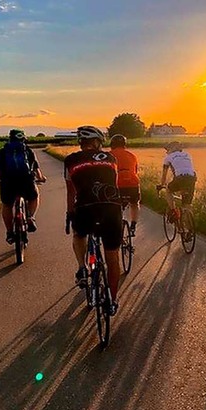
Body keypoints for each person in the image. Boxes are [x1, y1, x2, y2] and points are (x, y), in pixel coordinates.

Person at [64, 125, 121, 315]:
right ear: (98, 142)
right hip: (111, 208)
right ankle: (112, 300)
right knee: (112, 256)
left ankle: (82, 268)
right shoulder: (111, 158)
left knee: (79, 234)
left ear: (81, 143)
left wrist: (69, 213)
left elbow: (71, 191)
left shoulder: (71, 160)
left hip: (85, 208)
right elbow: (115, 183)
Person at [0, 129, 46, 244]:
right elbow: (36, 168)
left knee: (7, 205)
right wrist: (41, 178)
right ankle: (30, 217)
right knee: (34, 197)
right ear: (23, 138)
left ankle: (9, 233)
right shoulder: (28, 151)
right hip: (26, 180)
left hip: (8, 181)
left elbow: (0, 170)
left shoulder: (3, 152)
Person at [110, 134, 140, 235]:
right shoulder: (132, 155)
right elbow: (135, 171)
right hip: (133, 185)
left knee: (114, 206)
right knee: (134, 204)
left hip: (117, 185)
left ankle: (116, 226)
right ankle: (133, 225)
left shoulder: (109, 155)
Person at [159, 141, 197, 221]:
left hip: (180, 178)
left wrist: (162, 184)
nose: (166, 152)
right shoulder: (187, 155)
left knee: (168, 190)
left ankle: (173, 211)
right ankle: (189, 229)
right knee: (187, 204)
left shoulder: (168, 158)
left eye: (167, 149)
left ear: (171, 149)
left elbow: (164, 174)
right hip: (191, 178)